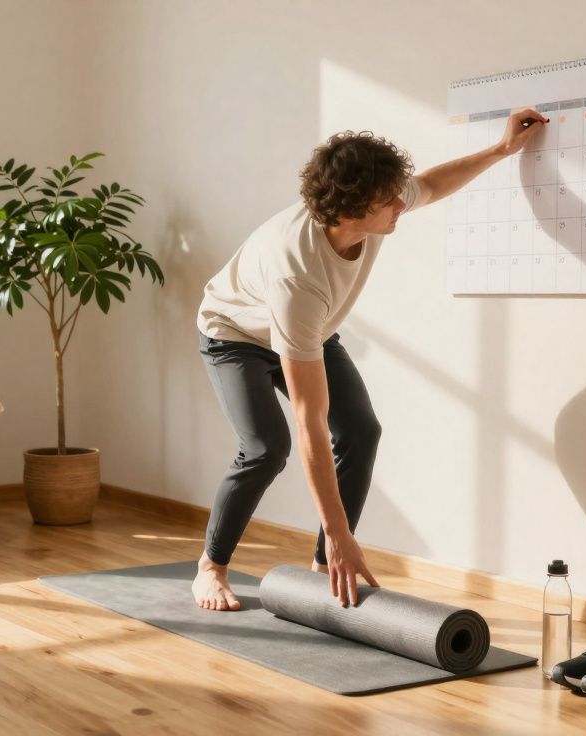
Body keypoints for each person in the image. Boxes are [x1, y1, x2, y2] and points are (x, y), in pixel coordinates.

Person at [193, 108, 550, 611]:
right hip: (236, 333)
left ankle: (324, 569)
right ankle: (212, 566)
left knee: (361, 430)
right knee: (266, 447)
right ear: (349, 212)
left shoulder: (374, 205)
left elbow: (430, 184)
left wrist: (500, 150)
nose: (399, 206)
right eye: (388, 203)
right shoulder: (298, 274)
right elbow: (308, 421)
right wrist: (341, 532)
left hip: (310, 332)